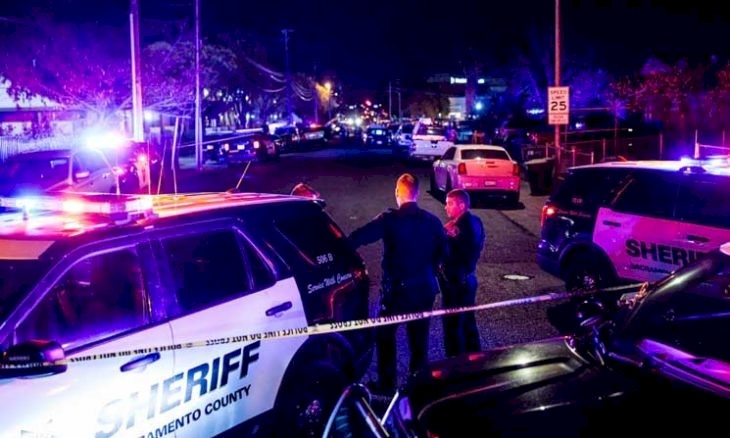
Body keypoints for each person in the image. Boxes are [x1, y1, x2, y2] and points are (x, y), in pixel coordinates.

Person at [349, 173, 448, 393]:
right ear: (417, 193)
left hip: (398, 292)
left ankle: (387, 384)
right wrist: (430, 268)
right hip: (425, 289)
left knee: (384, 334)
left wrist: (339, 252)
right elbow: (444, 253)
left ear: (397, 193)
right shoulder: (432, 221)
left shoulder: (390, 219)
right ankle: (418, 385)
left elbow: (359, 237)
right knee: (419, 338)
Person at [441, 189, 485, 357]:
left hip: (455, 283)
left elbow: (449, 254)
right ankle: (476, 361)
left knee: (452, 327)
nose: (446, 207)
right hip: (469, 279)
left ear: (461, 205)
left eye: (449, 203)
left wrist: (446, 234)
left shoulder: (457, 228)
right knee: (469, 324)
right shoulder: (477, 221)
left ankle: (455, 365)